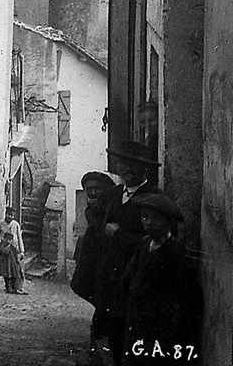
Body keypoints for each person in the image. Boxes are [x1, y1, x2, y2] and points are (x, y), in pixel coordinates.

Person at [97, 141, 160, 366]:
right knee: (112, 330)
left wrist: (119, 235)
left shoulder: (154, 198)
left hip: (138, 277)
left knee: (134, 333)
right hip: (113, 277)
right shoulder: (113, 195)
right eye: (124, 164)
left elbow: (154, 241)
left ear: (145, 169)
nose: (128, 170)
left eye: (134, 165)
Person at [121, 192, 202, 362]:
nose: (148, 223)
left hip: (160, 325)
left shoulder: (175, 252)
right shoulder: (144, 244)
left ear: (168, 222)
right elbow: (129, 277)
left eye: (155, 219)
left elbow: (182, 295)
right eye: (144, 217)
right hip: (138, 319)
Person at [72, 170, 121, 360]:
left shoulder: (112, 208)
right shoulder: (92, 210)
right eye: (88, 190)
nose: (92, 193)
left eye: (97, 189)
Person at [0, 207, 28, 294]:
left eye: (12, 215)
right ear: (5, 214)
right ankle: (8, 286)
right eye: (9, 215)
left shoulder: (16, 224)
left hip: (14, 250)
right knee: (6, 268)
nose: (10, 217)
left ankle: (15, 287)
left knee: (15, 268)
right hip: (5, 249)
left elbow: (19, 238)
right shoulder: (0, 225)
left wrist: (22, 251)